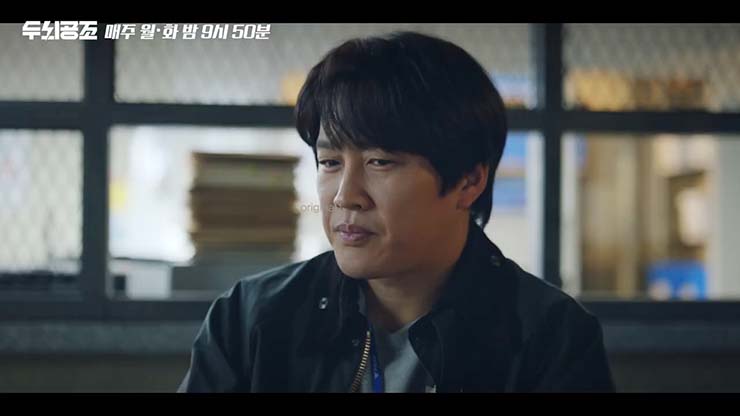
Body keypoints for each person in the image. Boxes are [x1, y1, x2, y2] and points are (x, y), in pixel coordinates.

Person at [178, 31, 615, 393]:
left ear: (468, 181)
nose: (346, 196)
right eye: (329, 162)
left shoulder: (549, 337)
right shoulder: (252, 318)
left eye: (380, 162)